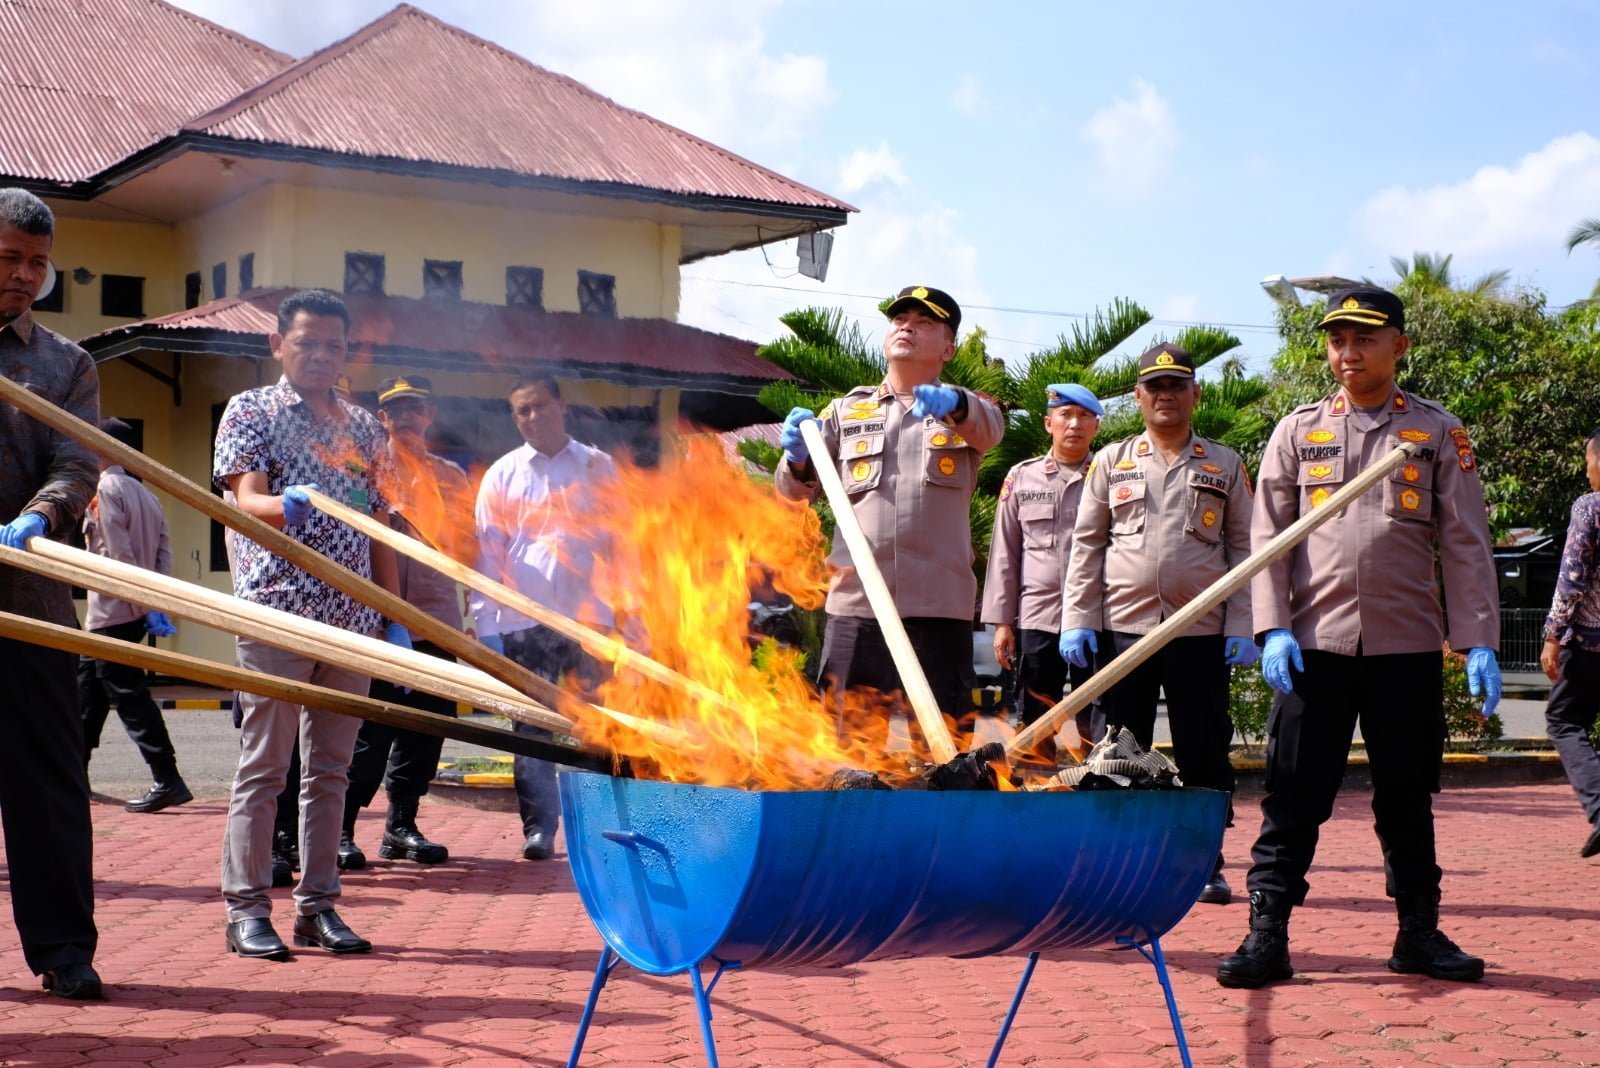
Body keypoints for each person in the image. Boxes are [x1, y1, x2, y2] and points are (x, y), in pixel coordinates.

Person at [1217, 284, 1501, 989]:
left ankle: (1418, 934)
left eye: (1365, 339)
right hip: (1313, 647)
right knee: (1292, 794)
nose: (1348, 353)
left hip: (1404, 648)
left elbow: (1465, 544)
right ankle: (1267, 934)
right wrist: (1272, 627)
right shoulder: (1297, 430)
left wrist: (1478, 638)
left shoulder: (1434, 432)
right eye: (1338, 340)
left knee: (1405, 795)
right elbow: (1267, 542)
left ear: (1399, 345)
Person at [213, 289, 410, 961]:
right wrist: (281, 506)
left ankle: (318, 907)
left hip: (351, 617)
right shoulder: (252, 410)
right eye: (307, 342)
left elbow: (381, 523)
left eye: (334, 345)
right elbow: (244, 498)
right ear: (278, 344)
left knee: (332, 770)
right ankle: (245, 909)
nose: (322, 354)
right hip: (277, 608)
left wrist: (394, 613)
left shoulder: (363, 428)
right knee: (265, 764)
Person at [1059, 343, 1255, 906]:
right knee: (1120, 749)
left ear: (1194, 393)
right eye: (1154, 387)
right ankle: (1121, 861)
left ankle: (1205, 863)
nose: (1165, 395)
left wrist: (1242, 624)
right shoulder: (1111, 461)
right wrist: (1078, 619)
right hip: (1123, 630)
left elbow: (1244, 549)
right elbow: (1087, 545)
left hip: (1200, 632)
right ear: (1138, 397)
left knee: (1204, 749)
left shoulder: (1223, 463)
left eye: (1176, 385)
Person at [777, 286, 1005, 751]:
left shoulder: (967, 412)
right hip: (857, 611)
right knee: (848, 754)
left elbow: (990, 429)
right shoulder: (844, 411)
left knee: (944, 753)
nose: (906, 326)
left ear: (948, 348)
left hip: (937, 612)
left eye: (923, 322)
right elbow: (791, 492)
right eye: (899, 319)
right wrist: (799, 457)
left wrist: (955, 405)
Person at [0, 187, 103, 999]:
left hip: (30, 601)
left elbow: (77, 464)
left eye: (37, 262)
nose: (25, 276)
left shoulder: (67, 364)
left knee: (48, 784)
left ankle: (64, 949)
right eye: (8, 259)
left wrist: (40, 516)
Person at [473, 373, 614, 861]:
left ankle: (599, 822)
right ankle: (540, 829)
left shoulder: (599, 467)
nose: (533, 418)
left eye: (540, 406)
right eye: (522, 412)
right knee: (531, 728)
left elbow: (625, 547)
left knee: (597, 722)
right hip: (522, 623)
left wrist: (629, 617)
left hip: (590, 620)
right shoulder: (502, 474)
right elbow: (488, 556)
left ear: (561, 405)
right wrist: (486, 625)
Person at [340, 375, 471, 868]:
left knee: (428, 727)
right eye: (399, 410)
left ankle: (401, 826)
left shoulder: (451, 477)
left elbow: (466, 547)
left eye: (418, 408)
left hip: (436, 616)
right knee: (372, 726)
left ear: (430, 414)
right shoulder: (368, 471)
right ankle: (343, 827)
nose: (410, 417)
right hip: (381, 617)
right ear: (384, 418)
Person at [981, 383, 1106, 764]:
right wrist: (1002, 623)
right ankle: (1037, 787)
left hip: (1098, 616)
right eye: (1066, 415)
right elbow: (1005, 552)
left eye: (1085, 416)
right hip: (1038, 616)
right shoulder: (1023, 477)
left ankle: (1098, 786)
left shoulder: (1111, 475)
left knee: (1099, 712)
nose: (1075, 424)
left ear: (1096, 427)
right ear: (1048, 423)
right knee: (1035, 714)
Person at [78, 417, 190, 814]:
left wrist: (142, 603)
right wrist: (156, 603)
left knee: (127, 695)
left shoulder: (105, 488)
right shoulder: (146, 494)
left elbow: (117, 554)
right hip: (132, 609)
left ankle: (167, 778)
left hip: (113, 609)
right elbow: (164, 554)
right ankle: (75, 775)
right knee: (87, 694)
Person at [1540, 427, 1600, 861]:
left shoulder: (1590, 507)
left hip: (1590, 643)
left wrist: (1552, 636)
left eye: (1589, 461)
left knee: (1564, 720)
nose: (1586, 471)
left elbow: (1572, 577)